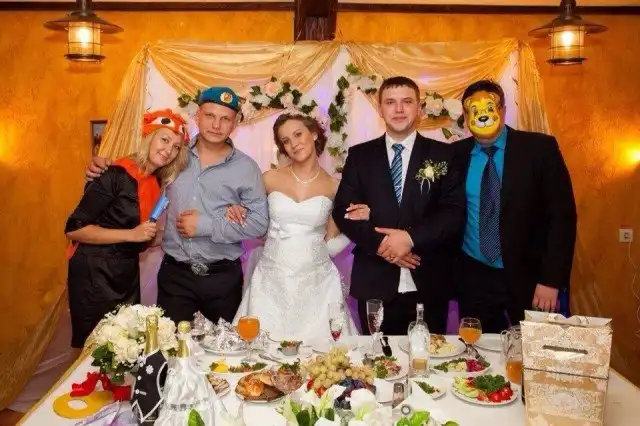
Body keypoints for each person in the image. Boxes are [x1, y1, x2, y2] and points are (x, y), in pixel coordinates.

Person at [85, 87, 269, 325]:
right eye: (210, 116)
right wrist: (103, 164)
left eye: (225, 119)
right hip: (175, 276)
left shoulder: (246, 168)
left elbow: (259, 223)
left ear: (235, 123)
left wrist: (206, 225)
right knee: (170, 345)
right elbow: (136, 170)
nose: (216, 125)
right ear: (197, 117)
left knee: (223, 347)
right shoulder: (173, 155)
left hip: (223, 278)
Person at [333, 76, 466, 335]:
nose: (399, 109)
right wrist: (384, 245)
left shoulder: (443, 154)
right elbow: (343, 211)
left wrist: (410, 238)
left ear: (419, 108)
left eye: (407, 101)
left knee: (430, 357)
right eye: (390, 102)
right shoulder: (360, 156)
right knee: (378, 357)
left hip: (429, 280)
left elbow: (453, 212)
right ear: (380, 109)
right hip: (375, 281)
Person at [453, 80, 577, 333]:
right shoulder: (455, 155)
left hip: (531, 278)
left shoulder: (539, 149)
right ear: (465, 116)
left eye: (490, 107)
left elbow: (562, 217)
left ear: (502, 109)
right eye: (472, 110)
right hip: (474, 277)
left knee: (535, 347)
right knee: (479, 350)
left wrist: (550, 280)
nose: (482, 115)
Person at [228, 113, 364, 340]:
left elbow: (335, 239)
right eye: (286, 141)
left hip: (317, 284)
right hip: (271, 282)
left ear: (314, 134)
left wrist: (355, 225)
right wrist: (235, 209)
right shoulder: (269, 179)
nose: (294, 144)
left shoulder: (335, 186)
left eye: (298, 134)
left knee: (324, 351)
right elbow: (253, 221)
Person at [66, 109, 189, 348]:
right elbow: (74, 229)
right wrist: (132, 234)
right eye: (164, 139)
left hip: (126, 273)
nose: (169, 150)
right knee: (97, 350)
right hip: (94, 273)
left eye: (176, 147)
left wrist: (174, 234)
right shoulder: (114, 173)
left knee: (127, 347)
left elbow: (142, 237)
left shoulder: (155, 182)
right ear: (149, 138)